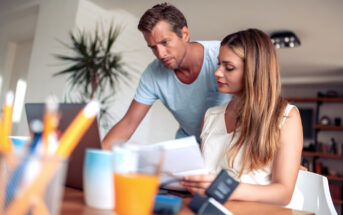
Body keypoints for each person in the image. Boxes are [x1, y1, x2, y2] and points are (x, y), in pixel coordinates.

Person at [180, 29, 303, 206]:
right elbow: (205, 175)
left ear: (254, 71)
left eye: (229, 67)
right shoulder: (210, 117)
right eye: (218, 64)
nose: (217, 72)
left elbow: (283, 193)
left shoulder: (286, 117)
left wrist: (229, 189)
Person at [102, 3, 230, 150]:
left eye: (165, 42)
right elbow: (128, 123)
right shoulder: (153, 74)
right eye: (153, 47)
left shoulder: (222, 56)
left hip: (228, 145)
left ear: (185, 35)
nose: (161, 54)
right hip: (190, 148)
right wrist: (96, 158)